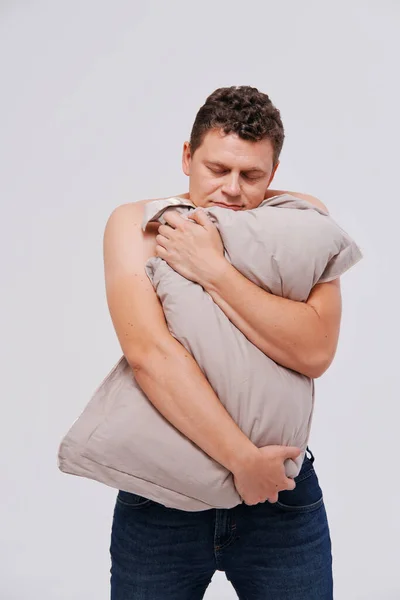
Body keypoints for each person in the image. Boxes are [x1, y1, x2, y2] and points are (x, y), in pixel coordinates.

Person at [103, 86, 340, 599]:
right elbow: (151, 356)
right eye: (217, 169)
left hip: (280, 495)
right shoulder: (136, 224)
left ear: (273, 175)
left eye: (251, 175)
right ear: (187, 157)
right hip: (160, 500)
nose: (232, 188)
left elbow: (315, 351)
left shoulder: (302, 223)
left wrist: (212, 270)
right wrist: (241, 461)